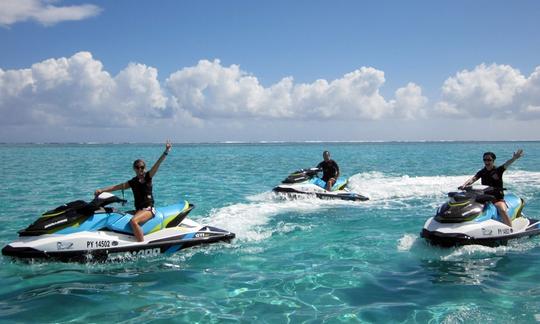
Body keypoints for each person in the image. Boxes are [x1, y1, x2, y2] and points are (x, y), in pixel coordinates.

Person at [95, 141, 172, 242]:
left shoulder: (148, 177)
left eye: (142, 167)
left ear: (145, 168)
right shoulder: (133, 182)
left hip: (149, 209)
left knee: (133, 221)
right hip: (138, 210)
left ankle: (141, 244)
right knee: (117, 215)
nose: (140, 169)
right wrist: (101, 190)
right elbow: (117, 187)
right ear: (134, 169)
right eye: (137, 167)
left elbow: (157, 164)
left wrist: (166, 151)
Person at [459, 149, 524, 227]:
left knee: (502, 210)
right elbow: (473, 179)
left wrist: (514, 158)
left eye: (489, 160)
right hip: (485, 198)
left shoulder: (498, 170)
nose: (487, 162)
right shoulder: (482, 172)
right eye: (485, 160)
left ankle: (510, 229)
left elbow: (507, 164)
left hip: (497, 199)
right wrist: (464, 185)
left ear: (493, 160)